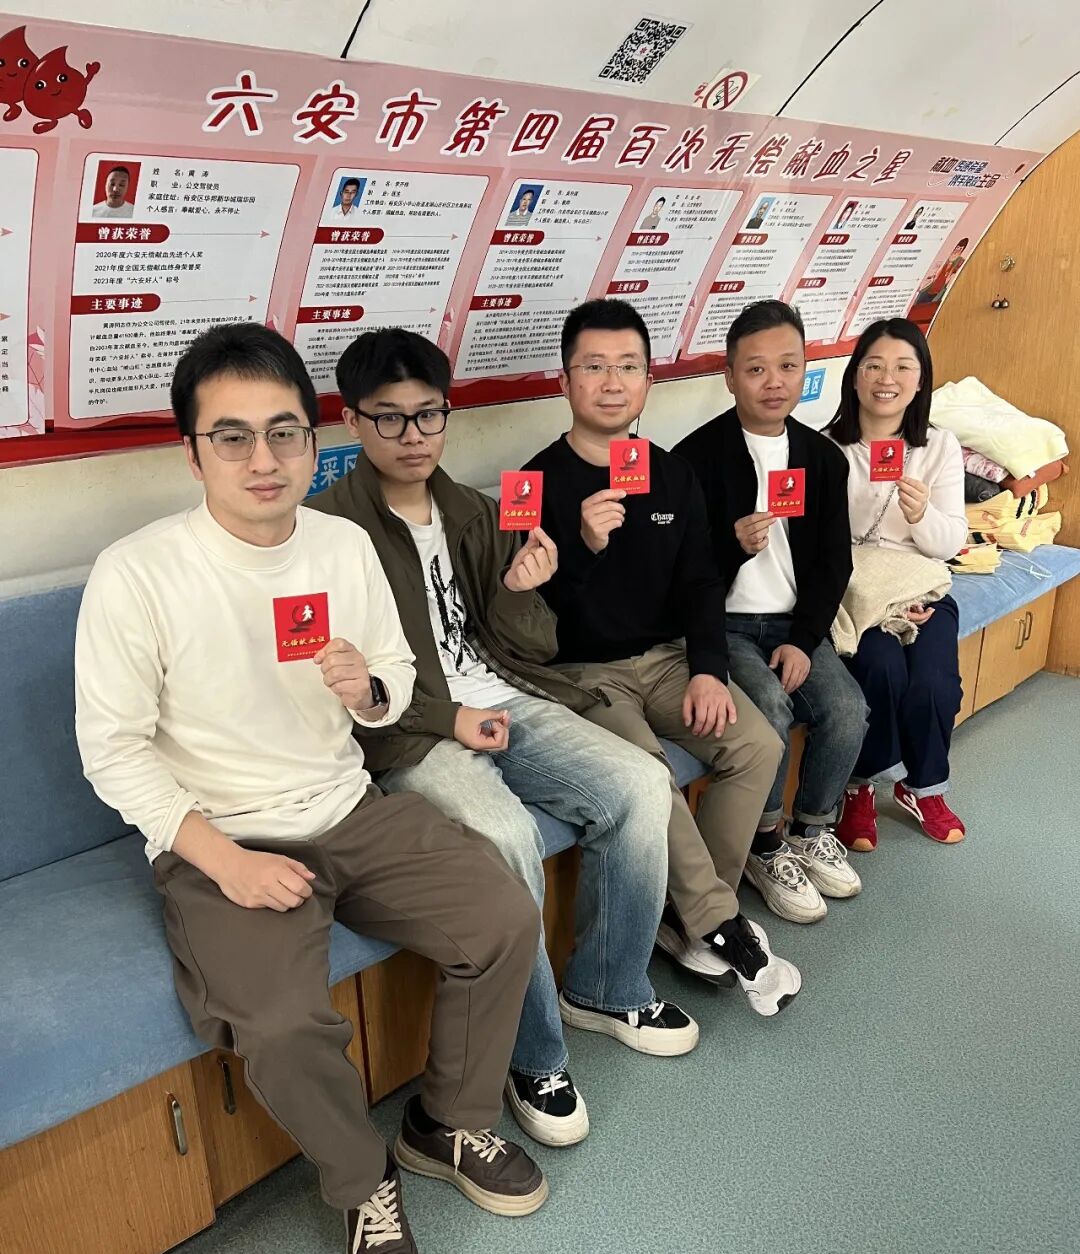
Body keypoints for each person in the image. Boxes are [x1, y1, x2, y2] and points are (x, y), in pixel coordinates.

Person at [74, 323, 548, 1254]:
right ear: (192, 451)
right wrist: (223, 861)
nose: (264, 458)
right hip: (222, 834)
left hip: (347, 805)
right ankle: (364, 1181)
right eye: (233, 436)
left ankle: (447, 1122)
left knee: (503, 914)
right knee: (285, 1025)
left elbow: (397, 679)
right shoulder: (137, 572)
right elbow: (112, 750)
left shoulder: (340, 544)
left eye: (284, 432)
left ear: (312, 438)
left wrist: (366, 686)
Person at [309, 328, 693, 1150]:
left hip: (505, 697)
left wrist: (525, 588)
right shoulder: (328, 532)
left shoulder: (474, 511)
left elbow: (532, 647)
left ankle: (606, 985)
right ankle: (532, 1054)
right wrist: (446, 719)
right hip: (411, 734)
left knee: (639, 784)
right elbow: (344, 687)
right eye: (389, 418)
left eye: (429, 415)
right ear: (352, 421)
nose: (414, 436)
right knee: (506, 836)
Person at [521, 298, 802, 1015]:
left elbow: (701, 582)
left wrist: (708, 668)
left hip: (669, 659)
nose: (612, 382)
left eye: (628, 367)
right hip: (581, 674)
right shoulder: (535, 484)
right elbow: (526, 624)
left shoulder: (670, 474)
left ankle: (687, 915)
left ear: (648, 381)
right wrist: (583, 547)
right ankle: (719, 922)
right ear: (565, 381)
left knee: (757, 744)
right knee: (648, 773)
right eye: (593, 367)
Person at [674, 301, 867, 924]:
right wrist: (731, 545)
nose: (774, 381)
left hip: (793, 623)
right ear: (730, 377)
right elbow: (682, 571)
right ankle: (763, 843)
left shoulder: (822, 458)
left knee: (847, 708)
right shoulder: (694, 458)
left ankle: (811, 829)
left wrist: (804, 640)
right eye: (755, 369)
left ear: (806, 370)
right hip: (723, 626)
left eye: (788, 366)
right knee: (771, 708)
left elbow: (834, 563)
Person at [825, 317, 968, 848]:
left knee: (933, 683)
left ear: (920, 379)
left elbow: (949, 543)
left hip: (923, 588)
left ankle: (923, 787)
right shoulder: (827, 449)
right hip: (858, 597)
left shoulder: (939, 446)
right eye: (875, 366)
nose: (888, 379)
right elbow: (817, 548)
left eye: (903, 367)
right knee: (880, 670)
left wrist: (921, 513)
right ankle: (861, 786)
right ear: (855, 376)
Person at [915, 238, 968, 305]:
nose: (958, 250)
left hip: (942, 286)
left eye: (961, 248)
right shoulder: (947, 256)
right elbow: (935, 268)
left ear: (963, 249)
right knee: (919, 300)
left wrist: (951, 273)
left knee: (931, 304)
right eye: (958, 247)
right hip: (933, 283)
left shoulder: (960, 260)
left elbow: (955, 274)